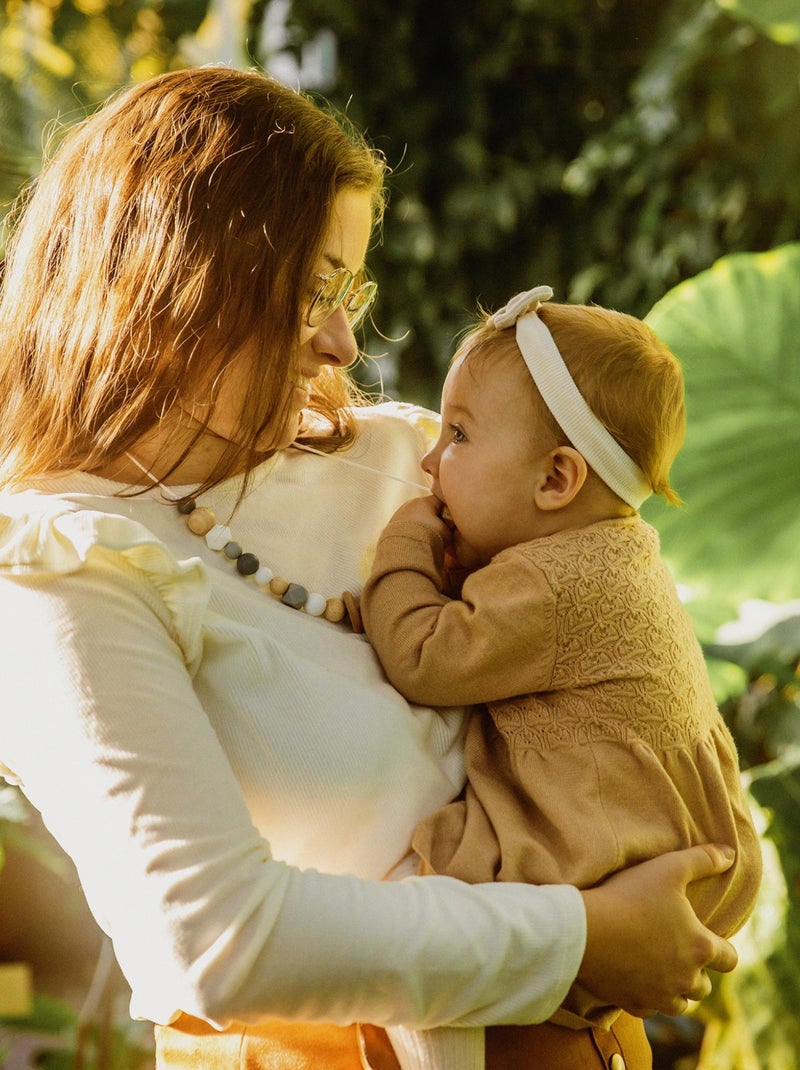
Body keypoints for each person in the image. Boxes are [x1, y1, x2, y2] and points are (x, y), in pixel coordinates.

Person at [0, 67, 741, 1070]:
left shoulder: (407, 459)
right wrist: (581, 937)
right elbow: (214, 940)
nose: (343, 341)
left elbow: (609, 643)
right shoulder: (62, 566)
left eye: (348, 290)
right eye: (312, 290)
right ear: (176, 283)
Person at [361, 286, 763, 1069]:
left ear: (556, 480)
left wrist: (404, 544)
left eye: (459, 434)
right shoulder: (621, 554)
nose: (430, 460)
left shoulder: (549, 584)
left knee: (438, 908)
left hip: (598, 854)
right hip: (679, 837)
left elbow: (422, 656)